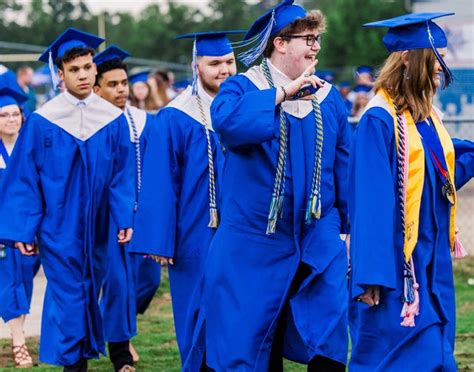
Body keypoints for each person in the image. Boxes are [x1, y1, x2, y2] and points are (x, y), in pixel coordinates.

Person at [206, 1, 351, 370]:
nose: (316, 46)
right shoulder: (242, 87)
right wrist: (283, 95)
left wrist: (347, 228)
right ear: (280, 43)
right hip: (255, 238)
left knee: (329, 327)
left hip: (315, 233)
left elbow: (343, 165)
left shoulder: (327, 97)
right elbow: (226, 123)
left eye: (317, 38)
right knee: (254, 337)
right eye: (308, 38)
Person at [0, 28, 135, 371]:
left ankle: (80, 359)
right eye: (74, 70)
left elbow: (122, 174)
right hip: (56, 226)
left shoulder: (112, 120)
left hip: (101, 222)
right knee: (69, 294)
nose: (84, 75)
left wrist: (124, 217)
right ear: (60, 75)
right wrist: (24, 231)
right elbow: (25, 179)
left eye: (88, 67)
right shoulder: (44, 121)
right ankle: (73, 365)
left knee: (91, 288)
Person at [348, 13, 474, 371]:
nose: (441, 66)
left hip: (432, 259)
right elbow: (371, 204)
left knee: (435, 350)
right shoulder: (379, 118)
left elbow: (438, 181)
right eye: (437, 55)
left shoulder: (426, 116)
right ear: (408, 57)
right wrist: (369, 275)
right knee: (400, 355)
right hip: (396, 266)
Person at [129, 30, 241, 371]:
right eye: (214, 63)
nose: (224, 69)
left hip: (242, 232)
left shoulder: (245, 107)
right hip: (196, 233)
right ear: (196, 66)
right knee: (197, 311)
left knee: (239, 313)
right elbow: (161, 182)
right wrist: (160, 241)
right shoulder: (176, 116)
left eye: (229, 62)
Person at [93, 45, 161, 372]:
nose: (122, 90)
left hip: (139, 212)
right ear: (96, 88)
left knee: (147, 278)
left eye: (123, 83)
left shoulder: (142, 121)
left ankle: (119, 324)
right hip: (103, 217)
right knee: (116, 283)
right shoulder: (89, 124)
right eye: (113, 84)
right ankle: (119, 352)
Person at [0, 79, 40, 369]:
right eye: (4, 114)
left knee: (23, 284)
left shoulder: (31, 151)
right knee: (9, 284)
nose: (11, 119)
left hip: (28, 233)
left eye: (15, 114)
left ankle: (18, 336)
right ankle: (18, 342)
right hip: (2, 234)